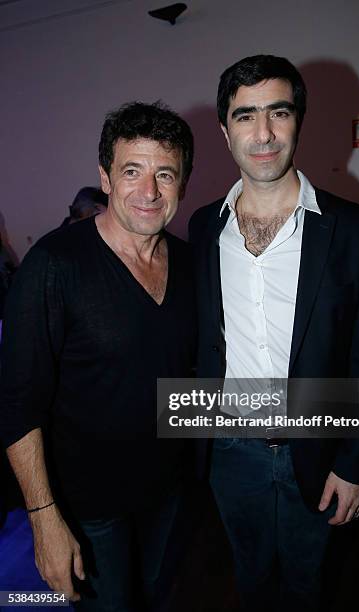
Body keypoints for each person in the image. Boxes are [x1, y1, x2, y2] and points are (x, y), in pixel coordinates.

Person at [189, 55, 359, 611]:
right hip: (229, 450)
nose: (263, 133)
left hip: (319, 446)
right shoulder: (204, 227)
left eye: (278, 112)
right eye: (245, 115)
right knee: (249, 582)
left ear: (298, 119)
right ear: (225, 130)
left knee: (309, 587)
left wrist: (355, 465)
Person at [0, 101, 196, 611]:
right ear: (105, 178)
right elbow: (18, 403)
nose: (149, 190)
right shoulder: (53, 264)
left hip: (170, 494)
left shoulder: (195, 265)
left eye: (165, 174)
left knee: (155, 599)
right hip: (89, 509)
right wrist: (44, 518)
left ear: (182, 183)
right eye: (132, 171)